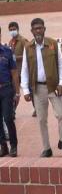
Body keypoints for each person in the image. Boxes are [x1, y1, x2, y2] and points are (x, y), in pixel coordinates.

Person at [21, 18, 62, 157]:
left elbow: (61, 65)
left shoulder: (53, 44)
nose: (38, 31)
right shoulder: (28, 47)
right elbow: (24, 70)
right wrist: (25, 90)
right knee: (42, 119)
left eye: (40, 28)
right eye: (35, 28)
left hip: (54, 87)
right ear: (31, 31)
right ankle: (47, 148)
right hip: (38, 88)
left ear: (44, 29)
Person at [0, 27, 20, 157]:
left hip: (6, 89)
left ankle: (13, 145)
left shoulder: (7, 52)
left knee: (8, 118)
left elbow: (14, 73)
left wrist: (17, 92)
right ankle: (3, 146)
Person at [8, 22, 33, 117]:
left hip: (24, 71)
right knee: (13, 92)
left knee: (31, 90)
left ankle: (36, 108)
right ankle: (12, 111)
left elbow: (29, 54)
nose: (12, 31)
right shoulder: (11, 42)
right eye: (10, 30)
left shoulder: (23, 41)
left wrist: (16, 57)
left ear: (17, 29)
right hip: (14, 72)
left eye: (13, 29)